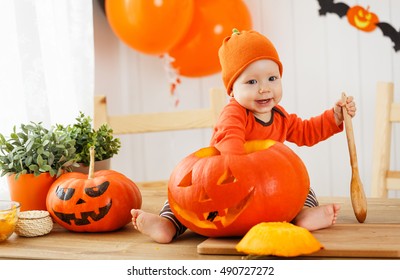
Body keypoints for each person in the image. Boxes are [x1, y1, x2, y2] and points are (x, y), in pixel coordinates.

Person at [131, 29, 356, 244]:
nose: (264, 88)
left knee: (302, 189)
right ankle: (168, 224)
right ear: (232, 90)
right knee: (185, 198)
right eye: (251, 82)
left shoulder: (280, 116)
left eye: (272, 78)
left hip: (269, 186)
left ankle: (303, 215)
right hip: (227, 181)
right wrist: (239, 167)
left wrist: (334, 117)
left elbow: (307, 131)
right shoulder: (234, 113)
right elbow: (229, 137)